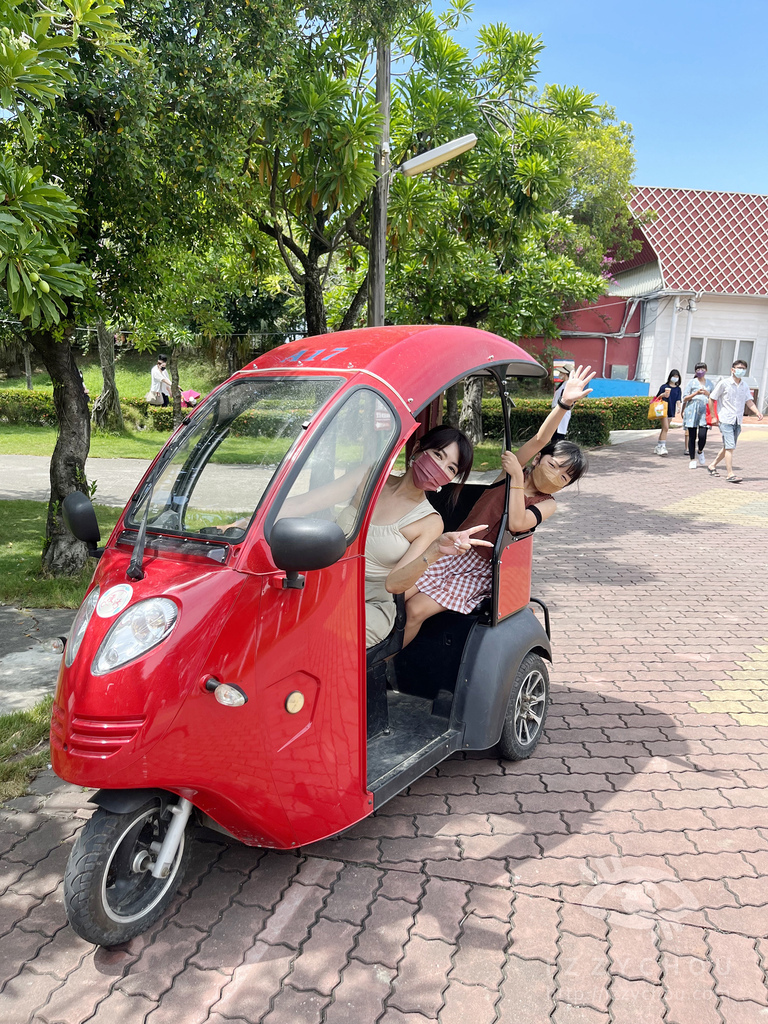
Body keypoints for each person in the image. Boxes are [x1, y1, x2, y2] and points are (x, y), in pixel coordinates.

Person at [402, 365, 595, 648]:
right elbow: (541, 439)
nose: (555, 476)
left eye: (564, 478)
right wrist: (564, 404)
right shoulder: (508, 474)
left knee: (416, 609)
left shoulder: (546, 503)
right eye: (553, 465)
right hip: (455, 549)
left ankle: (385, 664)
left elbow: (517, 522)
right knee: (400, 594)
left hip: (484, 568)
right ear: (539, 459)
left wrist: (518, 476)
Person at [336, 425, 479, 648]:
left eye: (451, 468)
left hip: (369, 605)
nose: (440, 468)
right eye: (438, 455)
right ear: (418, 448)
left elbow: (394, 585)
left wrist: (434, 551)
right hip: (324, 585)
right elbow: (304, 503)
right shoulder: (368, 477)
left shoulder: (430, 522)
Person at [707, 359, 764, 483]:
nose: (741, 371)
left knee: (728, 446)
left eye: (743, 369)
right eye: (739, 368)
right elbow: (711, 398)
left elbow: (749, 401)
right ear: (732, 369)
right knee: (730, 447)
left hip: (737, 420)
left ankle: (712, 465)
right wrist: (713, 416)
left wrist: (757, 412)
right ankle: (730, 474)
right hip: (725, 419)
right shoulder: (724, 383)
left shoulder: (744, 385)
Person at [681, 362, 715, 469]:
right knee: (692, 436)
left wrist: (707, 393)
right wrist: (696, 393)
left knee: (702, 435)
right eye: (698, 369)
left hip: (705, 411)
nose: (700, 371)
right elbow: (685, 398)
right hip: (692, 410)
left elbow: (714, 397)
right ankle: (692, 458)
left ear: (706, 370)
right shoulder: (691, 382)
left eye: (702, 369)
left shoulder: (710, 383)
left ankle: (700, 451)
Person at [653, 369, 682, 456]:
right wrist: (663, 395)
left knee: (665, 429)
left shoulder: (678, 389)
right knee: (665, 428)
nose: (675, 378)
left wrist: (679, 407)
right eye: (674, 376)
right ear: (670, 377)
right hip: (663, 409)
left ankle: (659, 446)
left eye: (677, 377)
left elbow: (678, 399)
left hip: (671, 410)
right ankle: (662, 446)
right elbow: (657, 398)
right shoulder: (664, 387)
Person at [551, 368, 571, 443]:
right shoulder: (563, 384)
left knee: (559, 434)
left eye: (561, 373)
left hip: (562, 411)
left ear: (565, 374)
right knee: (554, 433)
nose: (560, 374)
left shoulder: (568, 385)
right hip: (556, 410)